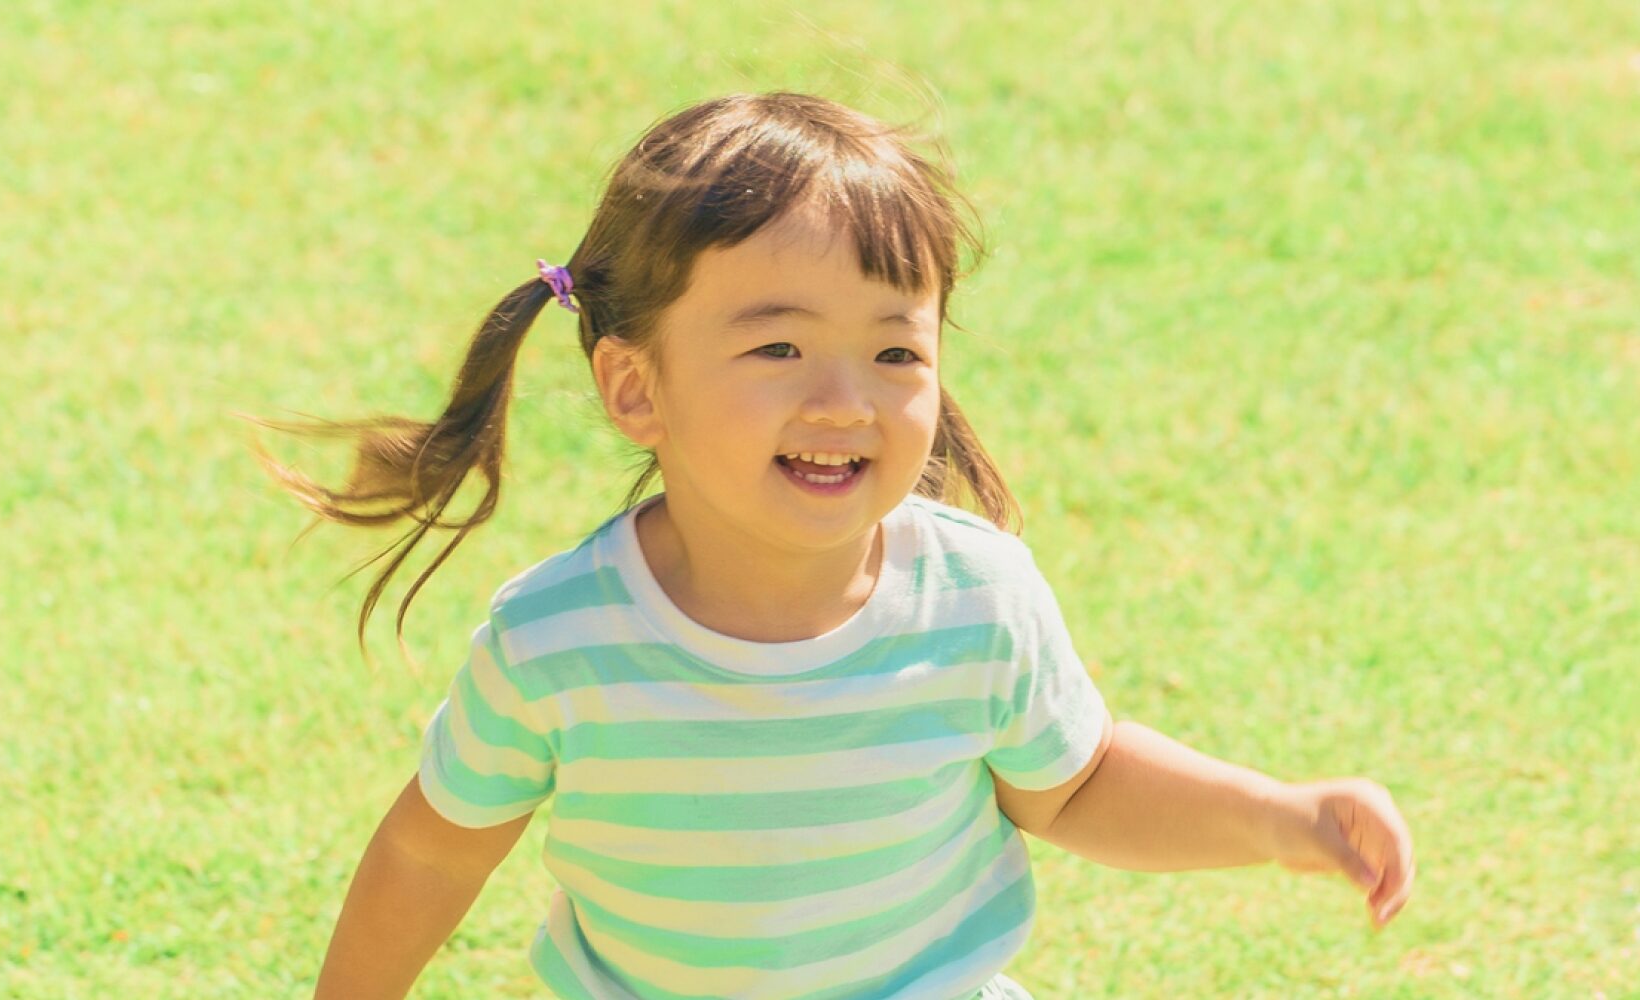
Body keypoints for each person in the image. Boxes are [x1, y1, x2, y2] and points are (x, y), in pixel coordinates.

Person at [250, 91, 1415, 1000]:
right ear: (636, 387)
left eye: (895, 352)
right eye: (779, 348)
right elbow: (434, 852)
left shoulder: (974, 597)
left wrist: (1280, 816)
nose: (845, 401)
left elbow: (1079, 782)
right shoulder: (559, 641)